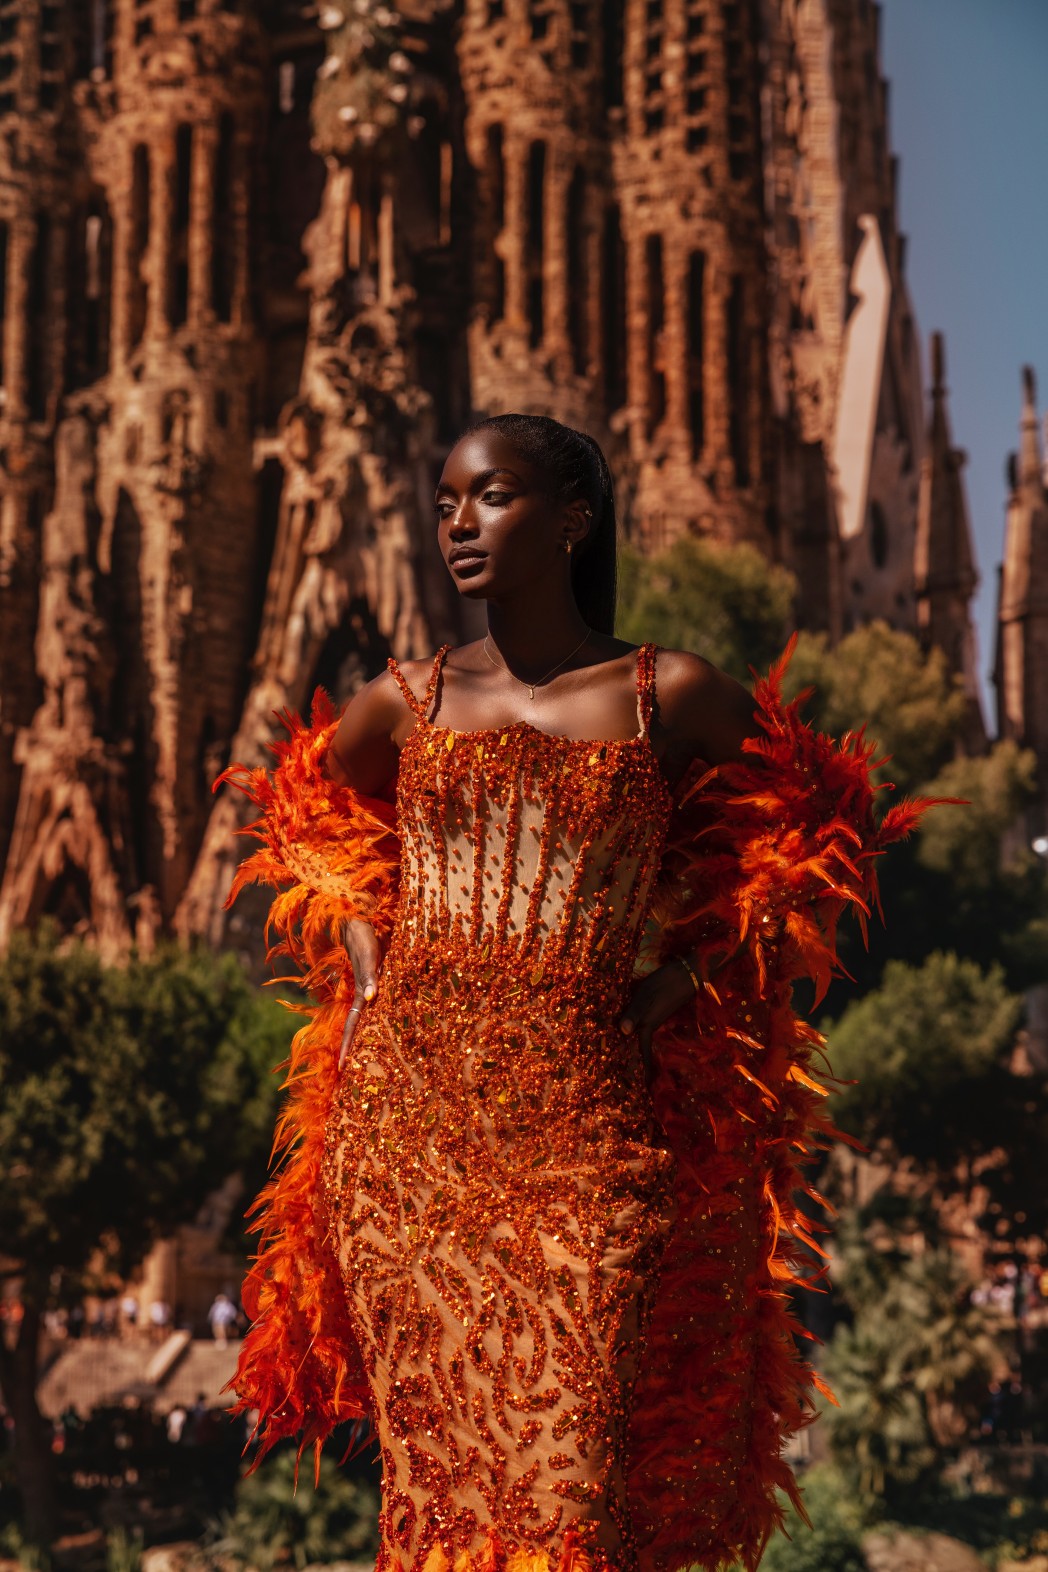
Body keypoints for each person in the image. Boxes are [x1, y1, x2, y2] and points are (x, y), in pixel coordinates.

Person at [219, 415, 930, 1571]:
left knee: (575, 1506)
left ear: (572, 521)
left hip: (586, 1149)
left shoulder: (672, 694)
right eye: (445, 501)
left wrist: (687, 976)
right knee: (438, 1517)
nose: (457, 523)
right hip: (407, 1157)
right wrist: (361, 948)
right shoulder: (404, 699)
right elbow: (308, 808)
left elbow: (826, 818)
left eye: (489, 496)